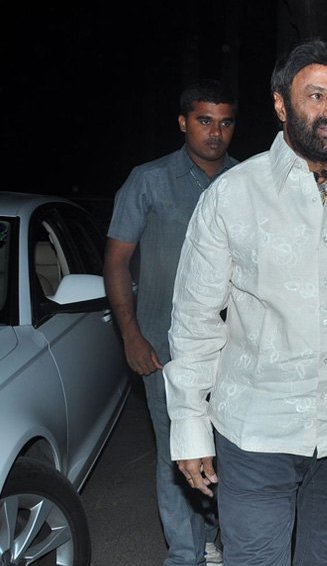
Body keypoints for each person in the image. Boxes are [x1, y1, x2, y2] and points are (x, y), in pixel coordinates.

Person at [162, 36, 327, 566]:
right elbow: (195, 319)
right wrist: (189, 423)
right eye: (316, 95)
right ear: (280, 104)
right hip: (255, 431)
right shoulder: (233, 195)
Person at [104, 78, 237, 566]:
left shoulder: (246, 182)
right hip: (164, 346)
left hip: (235, 347)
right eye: (204, 121)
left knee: (232, 452)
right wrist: (131, 334)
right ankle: (185, 554)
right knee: (175, 449)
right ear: (184, 123)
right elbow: (117, 261)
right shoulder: (149, 180)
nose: (215, 133)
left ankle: (223, 541)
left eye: (225, 122)